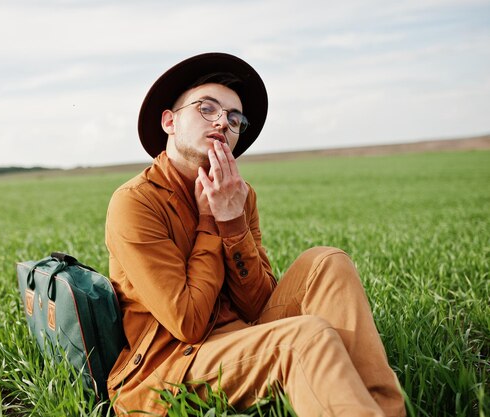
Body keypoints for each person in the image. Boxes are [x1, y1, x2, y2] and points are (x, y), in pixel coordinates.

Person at [104, 52, 406, 417]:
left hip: (242, 334)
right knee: (304, 337)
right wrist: (209, 221)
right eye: (206, 108)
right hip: (174, 364)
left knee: (328, 262)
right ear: (169, 121)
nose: (223, 123)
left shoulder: (239, 194)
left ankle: (385, 411)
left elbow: (257, 304)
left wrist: (232, 220)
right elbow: (190, 323)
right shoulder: (135, 202)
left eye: (234, 118)